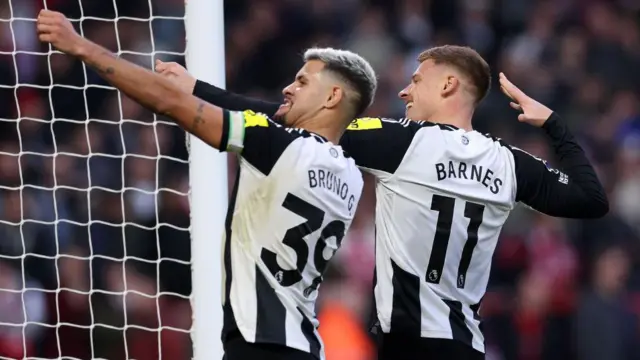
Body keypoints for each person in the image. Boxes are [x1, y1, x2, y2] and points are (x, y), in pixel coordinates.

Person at [157, 45, 609, 359]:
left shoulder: (403, 142)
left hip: (405, 343)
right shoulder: (511, 163)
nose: (404, 91)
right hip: (466, 346)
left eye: (416, 80)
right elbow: (591, 199)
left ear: (449, 84)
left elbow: (284, 124)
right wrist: (551, 123)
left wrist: (196, 89)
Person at [36, 9, 378, 360]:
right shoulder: (351, 175)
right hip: (303, 345)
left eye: (303, 82)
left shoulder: (279, 146)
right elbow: (266, 113)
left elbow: (169, 102)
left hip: (259, 347)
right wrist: (196, 86)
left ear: (333, 96)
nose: (288, 88)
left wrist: (80, 47)